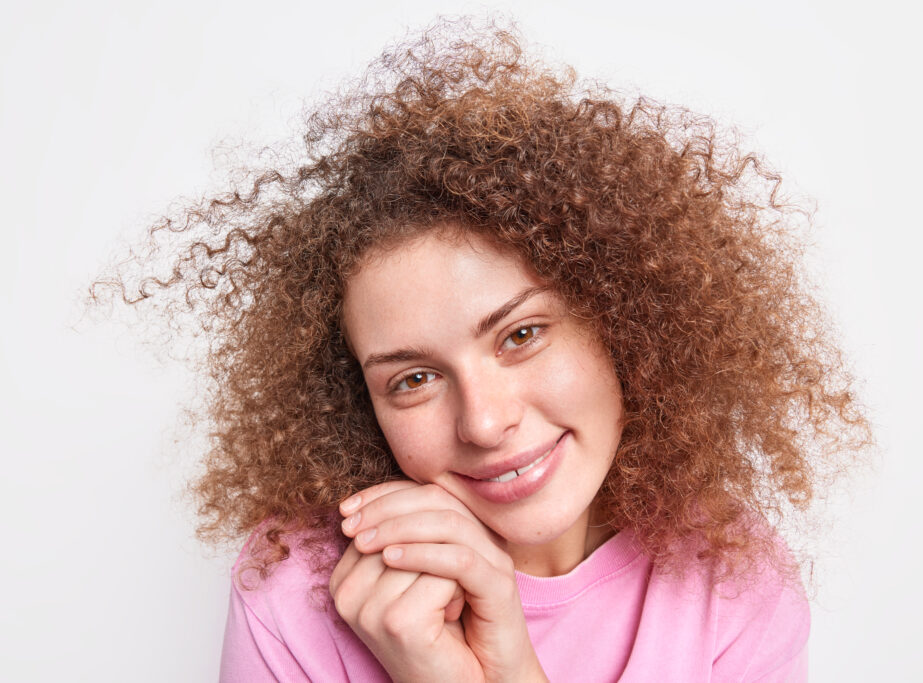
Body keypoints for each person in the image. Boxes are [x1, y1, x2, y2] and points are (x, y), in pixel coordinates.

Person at [97, 19, 869, 682]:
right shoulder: (294, 587)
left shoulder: (730, 583)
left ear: (621, 322)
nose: (486, 422)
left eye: (521, 334)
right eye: (415, 378)